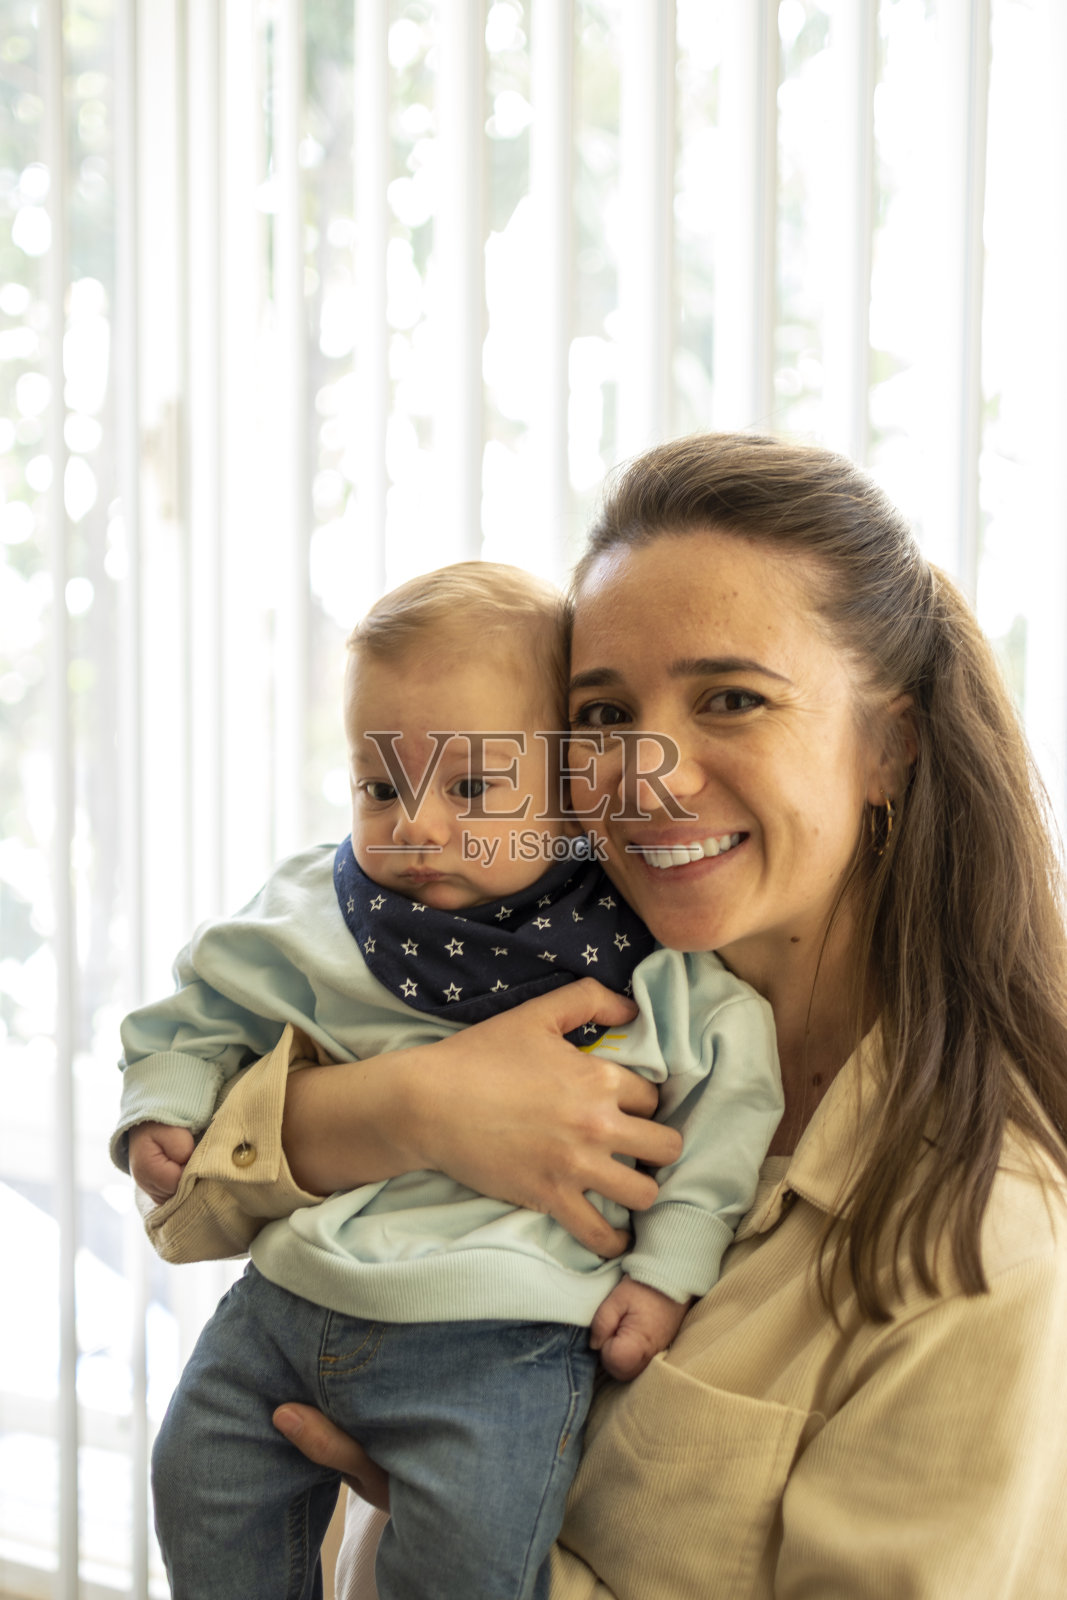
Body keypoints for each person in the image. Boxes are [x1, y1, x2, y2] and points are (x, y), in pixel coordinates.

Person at [198, 432, 1067, 1598]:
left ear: (889, 749)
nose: (644, 772)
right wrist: (405, 1108)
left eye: (730, 699)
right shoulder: (534, 965)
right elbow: (189, 1196)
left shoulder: (981, 1246)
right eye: (601, 719)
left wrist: (473, 1542)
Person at [113, 561, 783, 1600]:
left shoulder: (646, 953)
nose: (415, 827)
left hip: (501, 1338)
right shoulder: (316, 909)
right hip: (287, 1300)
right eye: (381, 787)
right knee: (195, 1476)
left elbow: (729, 1104)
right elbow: (198, 1006)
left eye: (471, 788)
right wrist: (162, 1100)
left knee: (470, 1559)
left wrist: (664, 1273)